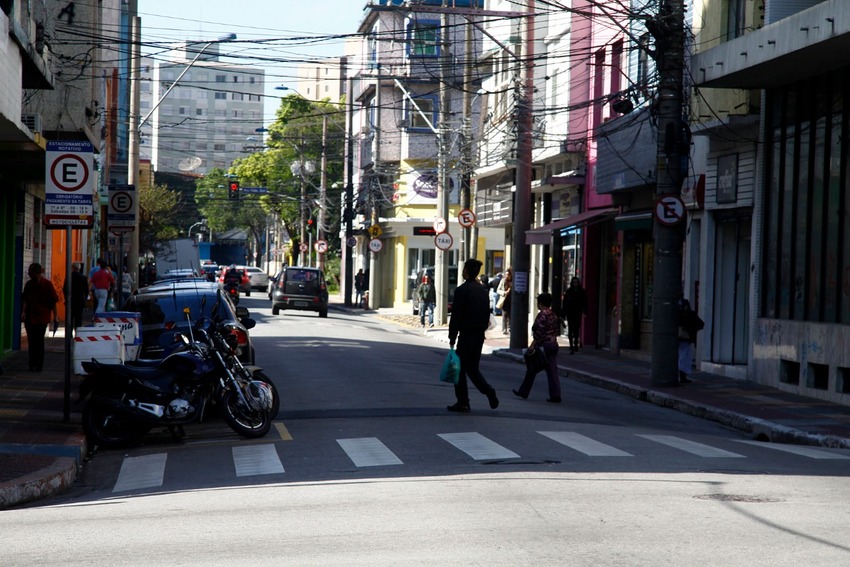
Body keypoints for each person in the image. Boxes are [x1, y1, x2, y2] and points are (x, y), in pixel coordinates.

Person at [447, 258, 499, 413]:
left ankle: (463, 401)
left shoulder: (461, 290)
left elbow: (456, 316)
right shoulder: (483, 291)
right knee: (472, 368)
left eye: (464, 269)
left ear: (467, 271)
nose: (462, 271)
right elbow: (486, 314)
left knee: (459, 369)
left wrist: (452, 337)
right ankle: (486, 391)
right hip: (479, 335)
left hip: (467, 335)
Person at [513, 292, 563, 403]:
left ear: (540, 303)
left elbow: (539, 332)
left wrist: (532, 345)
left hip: (544, 345)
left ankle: (524, 391)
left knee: (532, 368)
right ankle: (555, 394)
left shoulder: (542, 315)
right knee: (552, 371)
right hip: (554, 344)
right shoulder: (553, 315)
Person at [21, 263, 59, 372]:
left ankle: (38, 364)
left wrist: (55, 316)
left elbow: (53, 302)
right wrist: (23, 311)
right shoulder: (29, 284)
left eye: (31, 273)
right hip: (30, 316)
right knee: (31, 341)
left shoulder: (47, 285)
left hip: (42, 317)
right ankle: (32, 363)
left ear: (38, 274)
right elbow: (25, 299)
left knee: (39, 341)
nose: (30, 276)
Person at [677, 296, 705, 383]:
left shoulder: (679, 315)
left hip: (680, 339)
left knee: (682, 357)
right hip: (686, 339)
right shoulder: (689, 314)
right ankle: (682, 375)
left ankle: (682, 375)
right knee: (684, 357)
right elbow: (700, 324)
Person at [561, 276, 588, 354]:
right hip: (570, 312)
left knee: (576, 329)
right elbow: (565, 303)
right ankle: (571, 345)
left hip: (577, 312)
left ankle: (576, 344)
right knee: (571, 329)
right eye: (574, 282)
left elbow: (584, 302)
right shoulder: (569, 292)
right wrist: (563, 314)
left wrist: (585, 312)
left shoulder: (581, 292)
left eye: (576, 282)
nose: (575, 284)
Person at [63, 262, 89, 331]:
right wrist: (85, 299)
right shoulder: (83, 278)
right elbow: (86, 290)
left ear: (72, 268)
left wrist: (66, 298)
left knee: (69, 319)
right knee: (78, 320)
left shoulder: (69, 277)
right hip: (79, 301)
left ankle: (69, 335)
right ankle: (77, 334)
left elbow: (65, 288)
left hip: (70, 301)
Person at [497, 268, 512, 334]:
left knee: (511, 315)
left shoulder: (512, 281)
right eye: (505, 274)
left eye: (508, 274)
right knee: (504, 315)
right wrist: (504, 292)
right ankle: (504, 329)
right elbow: (498, 290)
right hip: (504, 300)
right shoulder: (503, 281)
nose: (506, 276)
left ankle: (510, 328)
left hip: (511, 301)